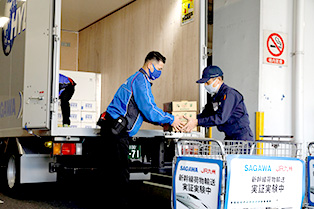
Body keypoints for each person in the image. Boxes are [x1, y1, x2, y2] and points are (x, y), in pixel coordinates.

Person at [98, 51, 183, 208]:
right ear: (150, 65)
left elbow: (143, 112)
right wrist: (172, 119)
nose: (160, 72)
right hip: (116, 131)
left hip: (111, 128)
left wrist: (162, 123)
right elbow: (149, 108)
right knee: (120, 172)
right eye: (160, 68)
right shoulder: (140, 81)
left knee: (111, 172)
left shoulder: (136, 79)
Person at [183, 65, 253, 141]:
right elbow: (206, 114)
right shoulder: (216, 97)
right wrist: (190, 120)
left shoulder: (229, 94)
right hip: (230, 137)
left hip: (241, 137)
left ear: (218, 79)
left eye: (207, 82)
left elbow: (221, 118)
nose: (205, 85)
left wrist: (197, 122)